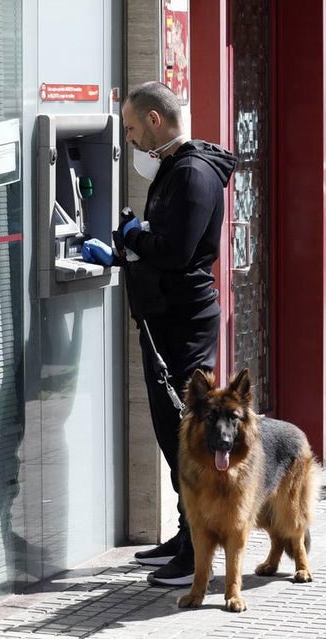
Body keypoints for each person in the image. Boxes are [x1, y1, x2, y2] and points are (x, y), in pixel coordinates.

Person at [117, 81, 236, 584]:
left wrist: (134, 237)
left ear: (154, 121)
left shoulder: (190, 173)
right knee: (172, 434)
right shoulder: (175, 168)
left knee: (186, 436)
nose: (128, 139)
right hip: (166, 314)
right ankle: (187, 533)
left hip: (182, 319)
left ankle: (198, 555)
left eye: (129, 127)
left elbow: (175, 250)